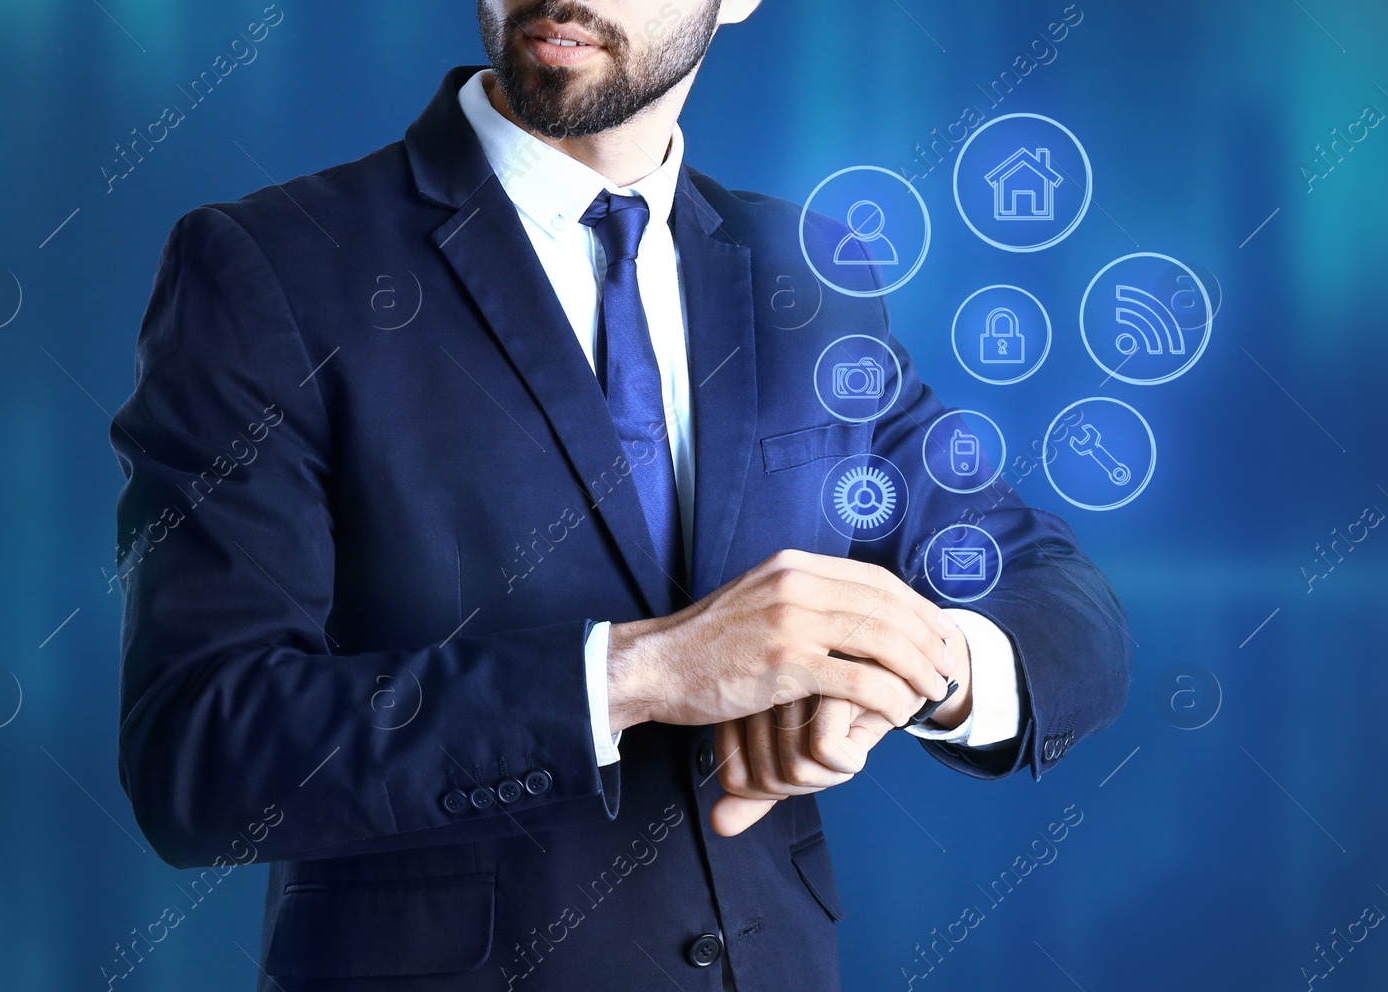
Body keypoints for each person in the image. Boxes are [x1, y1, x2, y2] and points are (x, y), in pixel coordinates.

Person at [109, 1, 1130, 989]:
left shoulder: (809, 276)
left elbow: (1053, 592)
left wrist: (915, 664)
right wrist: (639, 673)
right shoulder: (273, 266)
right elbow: (200, 750)